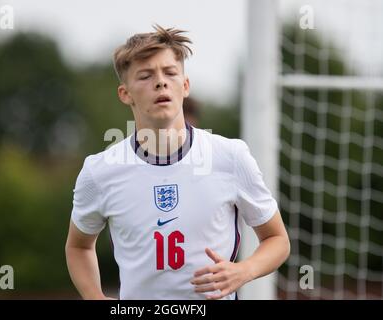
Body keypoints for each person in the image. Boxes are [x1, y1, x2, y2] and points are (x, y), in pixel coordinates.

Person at [65, 25, 290, 300]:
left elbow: (277, 239)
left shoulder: (230, 156)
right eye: (145, 76)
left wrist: (245, 270)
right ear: (125, 94)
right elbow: (79, 247)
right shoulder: (100, 171)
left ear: (184, 86)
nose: (160, 82)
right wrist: (94, 296)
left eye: (170, 73)